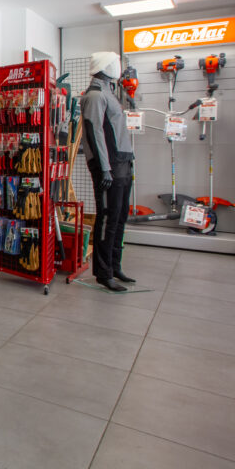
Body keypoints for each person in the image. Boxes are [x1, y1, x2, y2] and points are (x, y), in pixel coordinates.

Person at [80, 51, 136, 292]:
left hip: (123, 163)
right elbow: (94, 133)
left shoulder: (109, 93)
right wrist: (104, 169)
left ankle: (115, 265)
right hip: (109, 166)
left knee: (120, 217)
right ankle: (103, 273)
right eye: (115, 63)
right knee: (107, 219)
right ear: (104, 66)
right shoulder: (94, 95)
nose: (118, 67)